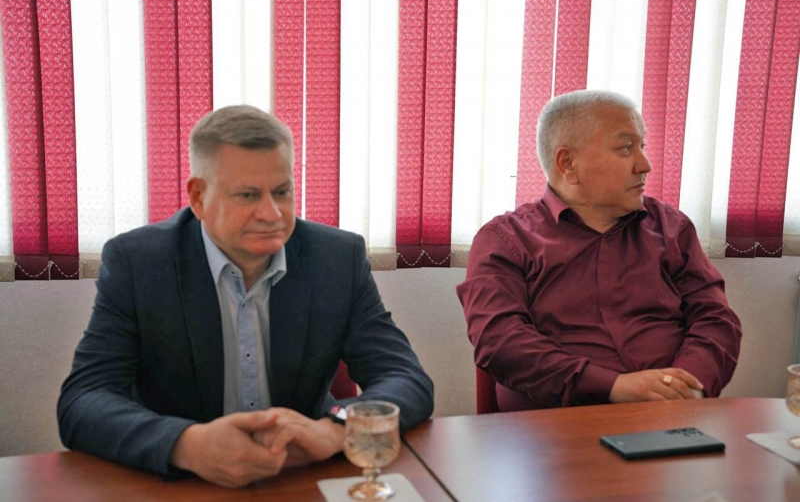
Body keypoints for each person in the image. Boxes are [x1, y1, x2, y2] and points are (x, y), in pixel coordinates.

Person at [58, 105, 434, 487]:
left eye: (282, 192)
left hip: (299, 476)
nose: (271, 214)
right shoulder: (139, 263)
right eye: (248, 195)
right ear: (198, 197)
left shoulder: (336, 259)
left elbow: (405, 377)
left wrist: (335, 429)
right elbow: (84, 399)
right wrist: (186, 444)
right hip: (184, 483)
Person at [457, 90, 742, 411]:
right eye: (626, 148)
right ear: (568, 163)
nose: (645, 165)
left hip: (673, 416)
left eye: (642, 147)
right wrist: (613, 387)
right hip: (556, 424)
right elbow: (500, 341)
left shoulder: (672, 228)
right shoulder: (505, 240)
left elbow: (716, 319)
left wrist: (686, 385)